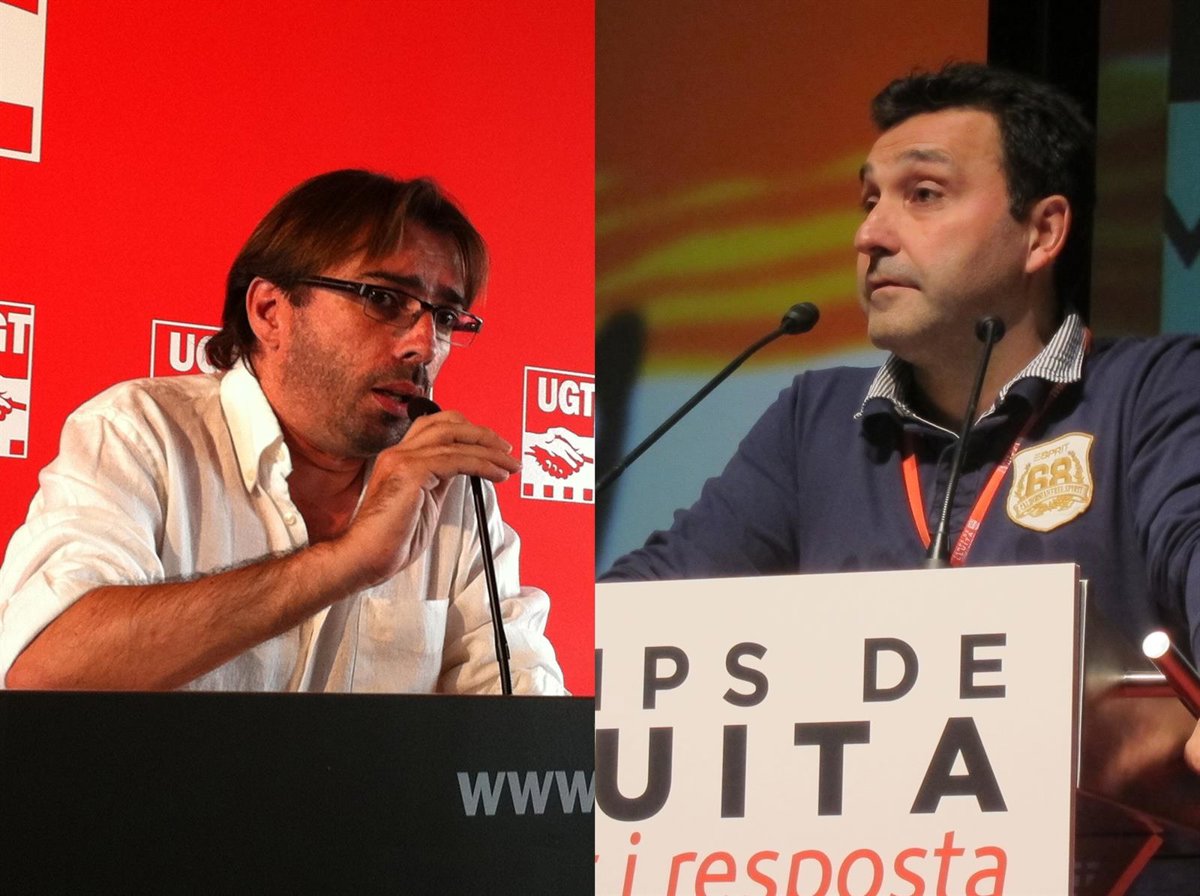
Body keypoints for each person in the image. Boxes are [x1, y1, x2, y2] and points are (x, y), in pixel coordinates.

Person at [602, 64, 1200, 766]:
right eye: (868, 200)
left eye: (924, 194)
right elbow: (658, 600)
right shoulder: (815, 420)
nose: (871, 235)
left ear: (1042, 232)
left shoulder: (1153, 391)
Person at [0, 169, 565, 694]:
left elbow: (522, 715)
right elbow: (44, 666)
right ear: (270, 310)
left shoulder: (448, 492)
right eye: (383, 299)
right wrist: (346, 562)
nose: (423, 344)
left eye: (443, 318)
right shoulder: (141, 434)